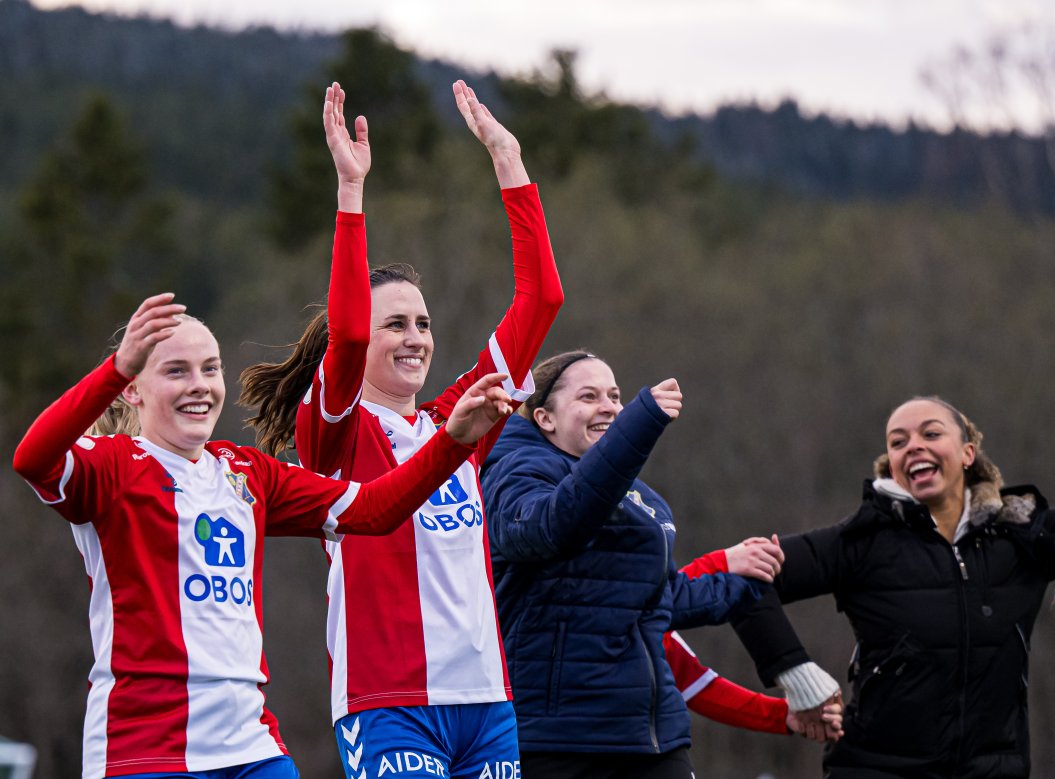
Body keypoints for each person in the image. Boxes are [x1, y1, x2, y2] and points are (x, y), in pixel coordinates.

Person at [11, 294, 515, 779]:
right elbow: (33, 459)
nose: (199, 386)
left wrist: (452, 442)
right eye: (176, 371)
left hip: (251, 748)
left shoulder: (247, 472)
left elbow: (373, 510)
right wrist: (116, 368)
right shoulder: (112, 466)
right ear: (132, 390)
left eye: (210, 369)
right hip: (145, 751)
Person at [238, 81, 563, 778]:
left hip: (486, 703)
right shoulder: (333, 429)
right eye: (397, 323)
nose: (416, 336)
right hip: (388, 703)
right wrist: (351, 192)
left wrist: (509, 160)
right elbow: (349, 335)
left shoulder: (460, 416)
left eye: (423, 322)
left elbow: (541, 300)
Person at [732, 395, 1055, 778]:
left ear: (967, 453)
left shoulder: (1022, 535)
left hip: (995, 770)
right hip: (875, 769)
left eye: (931, 433)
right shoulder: (858, 543)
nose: (913, 446)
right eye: (898, 442)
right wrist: (797, 676)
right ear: (893, 466)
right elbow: (742, 578)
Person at [479, 350, 837, 778]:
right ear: (545, 418)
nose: (609, 407)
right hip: (556, 739)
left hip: (651, 736)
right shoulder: (516, 470)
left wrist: (739, 578)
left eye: (615, 396)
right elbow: (552, 526)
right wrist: (636, 429)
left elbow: (659, 599)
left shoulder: (640, 497)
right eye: (589, 396)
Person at [671, 539, 842, 738]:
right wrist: (722, 563)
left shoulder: (653, 635)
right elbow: (649, 601)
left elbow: (693, 683)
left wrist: (781, 714)